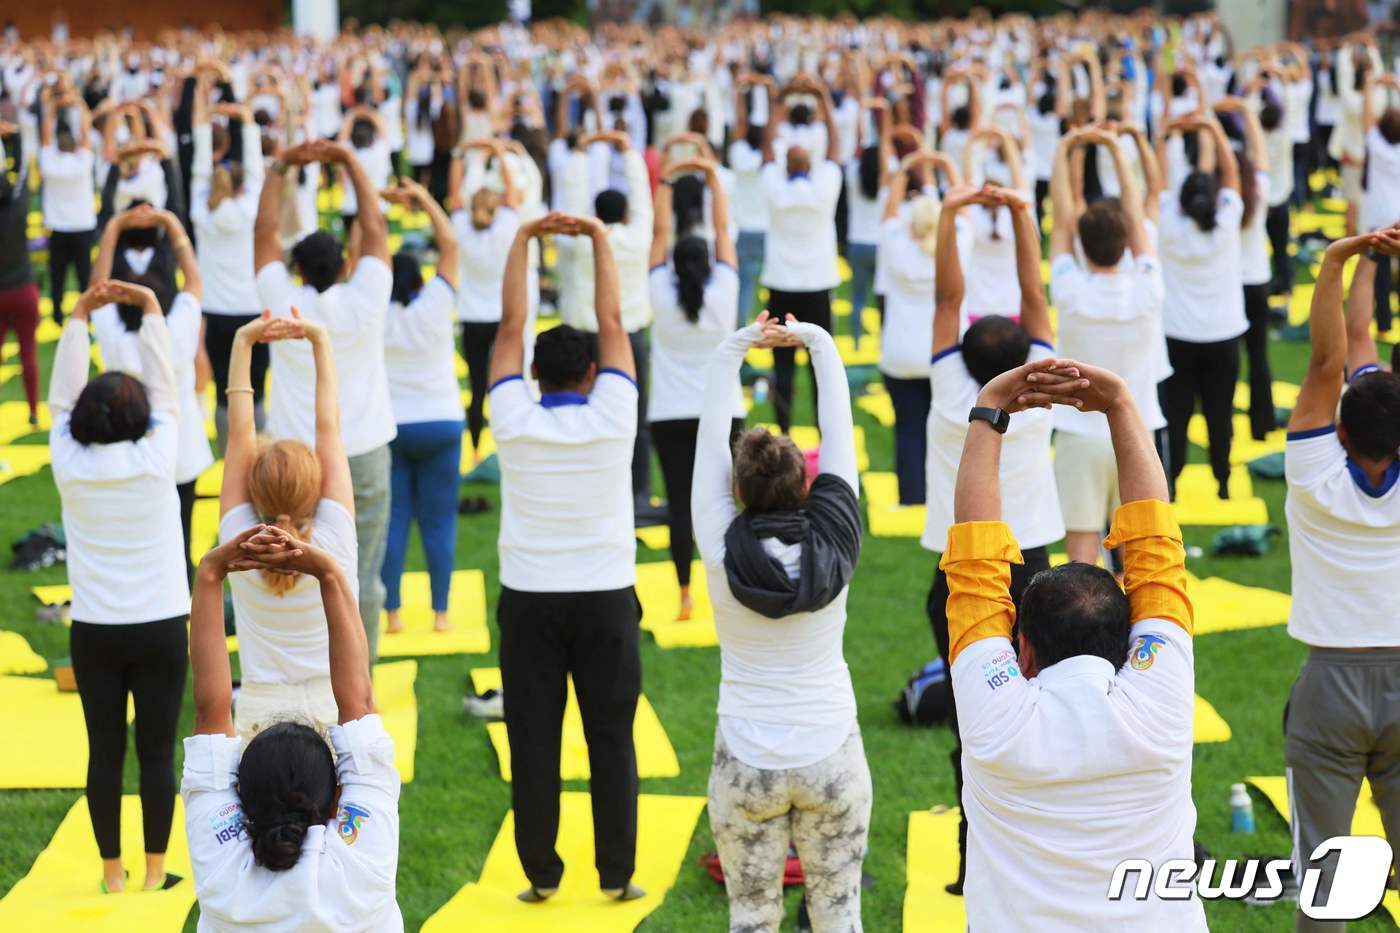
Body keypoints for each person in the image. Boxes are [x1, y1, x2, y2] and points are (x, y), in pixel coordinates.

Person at [941, 352, 1205, 931]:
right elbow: (1157, 555)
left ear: (1024, 651)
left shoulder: (996, 718)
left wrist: (989, 410)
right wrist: (1120, 405)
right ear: (1125, 646)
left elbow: (975, 565)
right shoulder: (1160, 700)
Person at [693, 310, 869, 932]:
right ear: (808, 484)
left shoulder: (718, 544)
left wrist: (736, 349)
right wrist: (816, 343)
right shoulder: (837, 539)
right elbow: (841, 433)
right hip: (831, 752)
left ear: (737, 490)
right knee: (839, 914)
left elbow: (711, 438)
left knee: (751, 918)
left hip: (747, 757)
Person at [489, 210, 643, 904]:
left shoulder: (513, 418)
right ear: (589, 372)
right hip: (605, 593)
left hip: (531, 597)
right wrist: (600, 241)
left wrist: (524, 241)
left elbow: (508, 330)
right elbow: (614, 318)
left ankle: (541, 875)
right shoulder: (614, 410)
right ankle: (617, 873)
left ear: (533, 375)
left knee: (534, 741)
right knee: (611, 734)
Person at [920, 182, 1064, 895]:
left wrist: (952, 213)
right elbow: (1035, 293)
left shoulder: (953, 393)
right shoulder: (1040, 392)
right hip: (1033, 571)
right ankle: (1032, 849)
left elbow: (948, 299)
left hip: (963, 576)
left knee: (976, 718)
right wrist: (1019, 214)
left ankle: (975, 856)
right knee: (1038, 713)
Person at [183, 523, 402, 931]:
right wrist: (330, 573)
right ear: (337, 799)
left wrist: (210, 573)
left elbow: (210, 711)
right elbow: (361, 701)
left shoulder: (222, 872)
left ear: (240, 798)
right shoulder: (364, 865)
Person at [48, 277, 188, 894]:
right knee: (156, 753)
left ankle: (112, 875)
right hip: (160, 627)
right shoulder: (158, 456)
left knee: (104, 752)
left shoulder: (69, 462)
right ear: (139, 419)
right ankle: (155, 872)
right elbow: (167, 392)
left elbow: (57, 403)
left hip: (97, 632)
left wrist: (79, 315)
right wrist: (152, 310)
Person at [1282, 224, 1400, 933]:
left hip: (1328, 684)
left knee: (1323, 882)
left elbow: (1328, 360)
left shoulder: (1314, 468)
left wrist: (1335, 259)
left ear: (1341, 434)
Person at [255, 138, 395, 665]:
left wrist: (281, 166)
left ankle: (309, 668)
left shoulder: (280, 301)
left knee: (294, 566)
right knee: (365, 574)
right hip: (362, 452)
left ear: (298, 267)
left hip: (300, 459)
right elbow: (377, 231)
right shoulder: (365, 297)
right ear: (345, 264)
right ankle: (363, 681)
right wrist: (351, 162)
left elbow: (263, 233)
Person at [218, 303, 358, 741]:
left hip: (259, 712)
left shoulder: (237, 540)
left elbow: (240, 433)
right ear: (315, 489)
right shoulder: (334, 535)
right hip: (333, 706)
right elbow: (328, 426)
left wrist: (243, 343)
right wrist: (318, 340)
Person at [1049, 127, 1167, 566]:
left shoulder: (1071, 291)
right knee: (1140, 556)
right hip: (1136, 431)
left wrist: (1065, 149)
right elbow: (1136, 221)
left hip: (1080, 435)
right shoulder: (1149, 288)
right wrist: (1119, 151)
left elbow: (1062, 222)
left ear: (1084, 244)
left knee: (1081, 558)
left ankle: (1083, 636)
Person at [90, 204, 213, 581]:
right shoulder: (178, 326)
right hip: (182, 450)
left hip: (132, 450)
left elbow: (97, 290)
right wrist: (172, 223)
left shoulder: (115, 336)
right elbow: (193, 280)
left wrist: (112, 228)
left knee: (142, 539)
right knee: (183, 533)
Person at [647, 155, 743, 621]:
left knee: (681, 506)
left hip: (670, 414)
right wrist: (711, 176)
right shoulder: (724, 290)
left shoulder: (660, 295)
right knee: (727, 501)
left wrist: (666, 179)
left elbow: (658, 236)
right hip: (723, 411)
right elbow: (723, 229)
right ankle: (731, 588)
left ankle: (686, 595)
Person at [556, 129, 656, 517]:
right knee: (637, 419)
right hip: (628, 337)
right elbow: (644, 199)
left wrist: (581, 152)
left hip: (583, 338)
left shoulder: (578, 242)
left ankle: (591, 496)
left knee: (579, 417)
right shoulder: (637, 236)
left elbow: (570, 200)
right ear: (625, 214)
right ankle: (639, 495)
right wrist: (628, 152)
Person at [380, 177, 463, 635]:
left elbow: (361, 261)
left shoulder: (374, 310)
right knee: (438, 523)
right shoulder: (434, 301)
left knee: (395, 523)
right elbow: (449, 245)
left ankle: (392, 615)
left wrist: (375, 207)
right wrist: (424, 199)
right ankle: (441, 614)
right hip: (441, 423)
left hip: (393, 427)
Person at [1157, 112, 1245, 500]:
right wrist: (1211, 129)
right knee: (1219, 413)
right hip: (1222, 337)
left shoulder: (1168, 228)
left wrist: (1167, 136)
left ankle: (1171, 486)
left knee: (1175, 415)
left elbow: (1158, 181)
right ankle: (1223, 482)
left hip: (1177, 337)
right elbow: (1232, 174)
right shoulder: (1226, 223)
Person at [759, 74, 842, 434]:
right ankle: (826, 432)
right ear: (809, 165)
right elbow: (837, 145)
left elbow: (766, 145)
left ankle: (784, 431)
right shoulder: (824, 187)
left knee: (783, 365)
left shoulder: (775, 187)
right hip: (817, 284)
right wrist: (821, 94)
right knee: (819, 364)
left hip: (782, 284)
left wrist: (781, 99)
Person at [190, 77, 269, 452]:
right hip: (251, 308)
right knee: (256, 389)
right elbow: (256, 171)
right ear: (239, 187)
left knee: (225, 391)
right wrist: (248, 122)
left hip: (217, 312)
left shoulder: (201, 212)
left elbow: (198, 173)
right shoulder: (249, 206)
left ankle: (230, 461)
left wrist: (204, 124)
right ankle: (261, 453)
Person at [877, 149, 958, 505]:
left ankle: (912, 494)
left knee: (907, 428)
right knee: (941, 428)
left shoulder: (896, 245)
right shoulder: (955, 247)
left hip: (899, 352)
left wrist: (906, 168)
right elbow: (962, 210)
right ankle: (941, 493)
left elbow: (889, 213)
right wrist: (946, 165)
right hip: (940, 353)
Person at [451, 137, 521, 463]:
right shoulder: (505, 226)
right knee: (507, 383)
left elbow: (453, 196)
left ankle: (477, 451)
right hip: (499, 316)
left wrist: (461, 154)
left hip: (471, 316)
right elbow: (514, 193)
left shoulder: (461, 228)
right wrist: (500, 154)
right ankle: (507, 448)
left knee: (478, 388)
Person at [39, 83, 96, 324]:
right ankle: (88, 314)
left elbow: (44, 138)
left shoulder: (49, 163)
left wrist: (52, 109)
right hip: (82, 225)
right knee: (85, 276)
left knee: (58, 275)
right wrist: (78, 103)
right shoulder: (83, 162)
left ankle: (57, 314)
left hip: (59, 228)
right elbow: (85, 131)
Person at [0, 120, 40, 425]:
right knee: (28, 354)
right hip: (24, 289)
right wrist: (16, 138)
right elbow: (24, 172)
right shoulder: (19, 207)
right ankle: (33, 412)